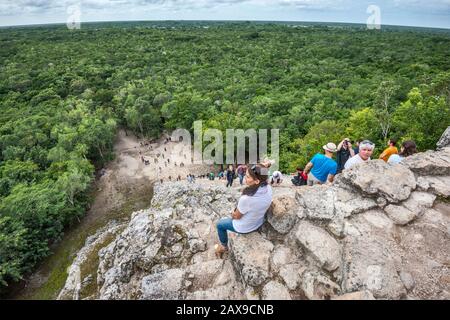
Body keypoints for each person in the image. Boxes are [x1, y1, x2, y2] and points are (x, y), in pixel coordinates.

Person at [215, 162, 273, 258]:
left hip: (245, 227)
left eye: (248, 177)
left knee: (220, 224)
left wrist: (232, 213)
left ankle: (223, 246)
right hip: (258, 222)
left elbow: (237, 217)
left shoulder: (247, 198)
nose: (245, 178)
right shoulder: (268, 188)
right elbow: (263, 173)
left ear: (257, 181)